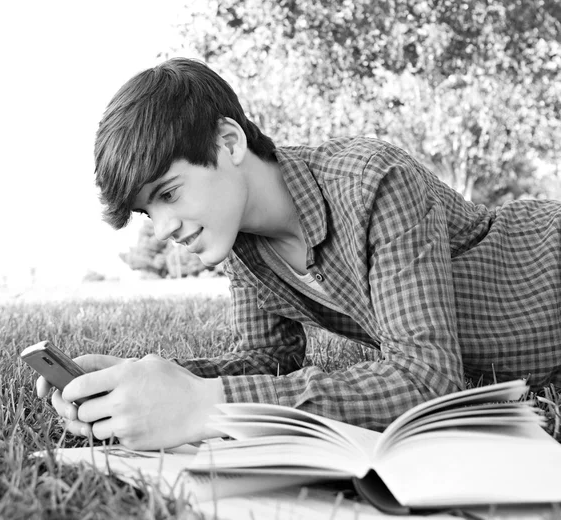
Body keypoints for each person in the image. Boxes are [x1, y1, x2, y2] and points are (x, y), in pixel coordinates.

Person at [37, 58, 561, 450]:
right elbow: (267, 361)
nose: (166, 227)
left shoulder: (373, 181)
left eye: (169, 193)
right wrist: (147, 379)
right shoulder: (241, 245)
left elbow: (425, 378)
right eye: (150, 212)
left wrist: (206, 407)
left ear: (229, 142)